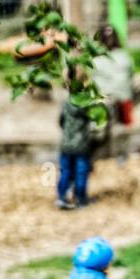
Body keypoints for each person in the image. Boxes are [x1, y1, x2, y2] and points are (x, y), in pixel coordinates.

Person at [56, 81, 107, 210]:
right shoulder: (88, 106)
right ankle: (80, 199)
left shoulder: (65, 104)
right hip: (81, 145)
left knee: (65, 171)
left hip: (66, 144)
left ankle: (62, 197)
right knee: (81, 173)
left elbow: (61, 122)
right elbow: (98, 121)